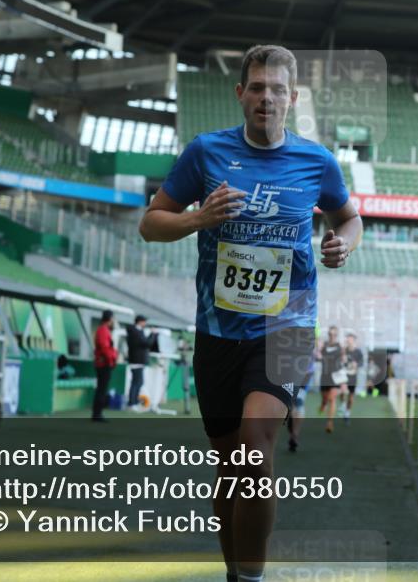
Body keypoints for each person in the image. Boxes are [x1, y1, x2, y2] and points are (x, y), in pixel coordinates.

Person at [139, 44, 363, 582]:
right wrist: (198, 218)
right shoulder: (205, 153)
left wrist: (343, 245)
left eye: (277, 89)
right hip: (217, 331)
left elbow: (350, 219)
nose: (267, 98)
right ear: (241, 94)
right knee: (229, 469)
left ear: (292, 97)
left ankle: (253, 579)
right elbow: (151, 223)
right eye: (257, 87)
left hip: (287, 327)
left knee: (255, 457)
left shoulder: (317, 161)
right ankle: (236, 573)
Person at [126, 314, 158, 411]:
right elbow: (147, 343)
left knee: (138, 382)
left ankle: (133, 402)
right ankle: (132, 403)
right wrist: (152, 334)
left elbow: (144, 342)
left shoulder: (138, 331)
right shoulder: (135, 332)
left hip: (138, 361)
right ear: (139, 322)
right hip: (136, 361)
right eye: (144, 321)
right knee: (136, 383)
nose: (145, 323)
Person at [92, 310, 118, 422]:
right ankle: (97, 414)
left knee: (101, 388)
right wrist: (111, 360)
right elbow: (105, 348)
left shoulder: (103, 330)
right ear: (110, 319)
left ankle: (97, 413)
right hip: (104, 363)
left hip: (104, 362)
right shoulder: (103, 330)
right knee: (101, 389)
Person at [317, 325, 344, 433]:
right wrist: (318, 354)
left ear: (337, 335)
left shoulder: (340, 347)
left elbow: (343, 360)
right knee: (325, 399)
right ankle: (323, 404)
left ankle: (329, 422)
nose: (332, 336)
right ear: (328, 335)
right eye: (330, 334)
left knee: (332, 398)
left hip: (336, 376)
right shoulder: (323, 346)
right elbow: (318, 356)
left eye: (334, 334)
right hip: (325, 375)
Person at [340, 332, 363, 422]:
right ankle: (342, 404)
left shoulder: (358, 352)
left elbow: (362, 363)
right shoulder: (344, 350)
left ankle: (347, 413)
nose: (348, 340)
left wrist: (356, 364)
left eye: (349, 338)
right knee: (342, 391)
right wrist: (343, 359)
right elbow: (339, 361)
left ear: (354, 340)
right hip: (344, 375)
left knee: (351, 396)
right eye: (347, 338)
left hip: (353, 376)